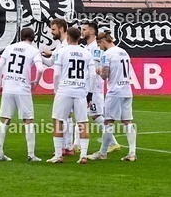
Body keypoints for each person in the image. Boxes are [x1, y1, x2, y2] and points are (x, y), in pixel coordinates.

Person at [0, 27, 45, 161]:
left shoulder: (10, 47)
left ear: (20, 36)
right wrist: (36, 81)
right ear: (33, 38)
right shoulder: (34, 51)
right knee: (28, 120)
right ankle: (31, 154)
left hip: (8, 86)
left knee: (4, 119)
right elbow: (40, 69)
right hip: (22, 88)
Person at [90, 31, 137, 161]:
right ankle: (132, 153)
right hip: (127, 90)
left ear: (103, 42)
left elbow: (104, 75)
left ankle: (103, 153)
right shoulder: (124, 52)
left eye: (100, 45)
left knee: (108, 122)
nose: (100, 48)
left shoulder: (107, 54)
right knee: (127, 122)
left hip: (115, 91)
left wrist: (98, 70)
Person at [48, 26, 91, 164]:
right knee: (82, 123)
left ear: (67, 38)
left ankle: (58, 155)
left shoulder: (62, 51)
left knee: (58, 121)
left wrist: (57, 89)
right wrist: (89, 93)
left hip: (65, 89)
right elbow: (93, 75)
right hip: (80, 90)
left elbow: (56, 74)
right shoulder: (86, 53)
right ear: (79, 38)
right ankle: (83, 155)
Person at [82, 21, 121, 154]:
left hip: (95, 87)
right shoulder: (88, 47)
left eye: (84, 29)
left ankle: (113, 143)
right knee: (88, 115)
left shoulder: (96, 48)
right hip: (88, 86)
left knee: (96, 114)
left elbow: (97, 69)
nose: (82, 31)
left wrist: (92, 89)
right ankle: (75, 144)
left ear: (92, 32)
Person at [41, 18, 75, 156]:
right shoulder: (61, 45)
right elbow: (50, 63)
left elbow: (59, 57)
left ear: (61, 29)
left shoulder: (66, 45)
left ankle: (67, 146)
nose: (51, 32)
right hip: (62, 86)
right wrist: (39, 56)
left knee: (63, 117)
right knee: (66, 116)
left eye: (54, 29)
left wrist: (52, 54)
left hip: (65, 85)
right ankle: (68, 146)